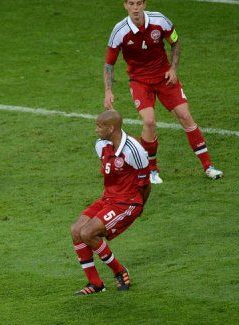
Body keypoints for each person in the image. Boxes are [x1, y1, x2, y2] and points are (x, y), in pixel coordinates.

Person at [104, 0, 223, 184]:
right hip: (140, 82)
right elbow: (109, 64)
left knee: (185, 116)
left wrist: (173, 68)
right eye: (131, 3)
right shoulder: (119, 31)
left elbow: (175, 42)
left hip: (164, 77)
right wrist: (108, 91)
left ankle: (208, 166)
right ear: (125, 5)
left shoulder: (159, 20)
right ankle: (151, 170)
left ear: (144, 4)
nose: (135, 8)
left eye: (138, 3)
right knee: (149, 121)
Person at [70, 109, 151, 295]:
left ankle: (120, 271)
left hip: (127, 203)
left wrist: (139, 208)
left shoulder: (134, 150)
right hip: (108, 199)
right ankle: (95, 284)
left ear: (111, 127)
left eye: (99, 126)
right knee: (76, 230)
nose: (96, 129)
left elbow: (145, 184)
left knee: (88, 233)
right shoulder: (101, 145)